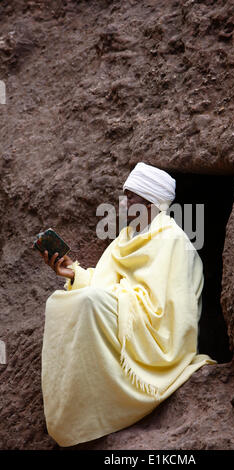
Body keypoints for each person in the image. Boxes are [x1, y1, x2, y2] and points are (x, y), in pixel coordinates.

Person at [38, 162, 216, 447]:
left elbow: (174, 313)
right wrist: (76, 274)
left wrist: (118, 298)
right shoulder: (124, 239)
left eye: (131, 196)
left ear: (151, 202)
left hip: (156, 336)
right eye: (124, 195)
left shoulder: (174, 242)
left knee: (88, 301)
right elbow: (104, 286)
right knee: (58, 302)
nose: (123, 202)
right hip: (127, 316)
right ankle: (82, 408)